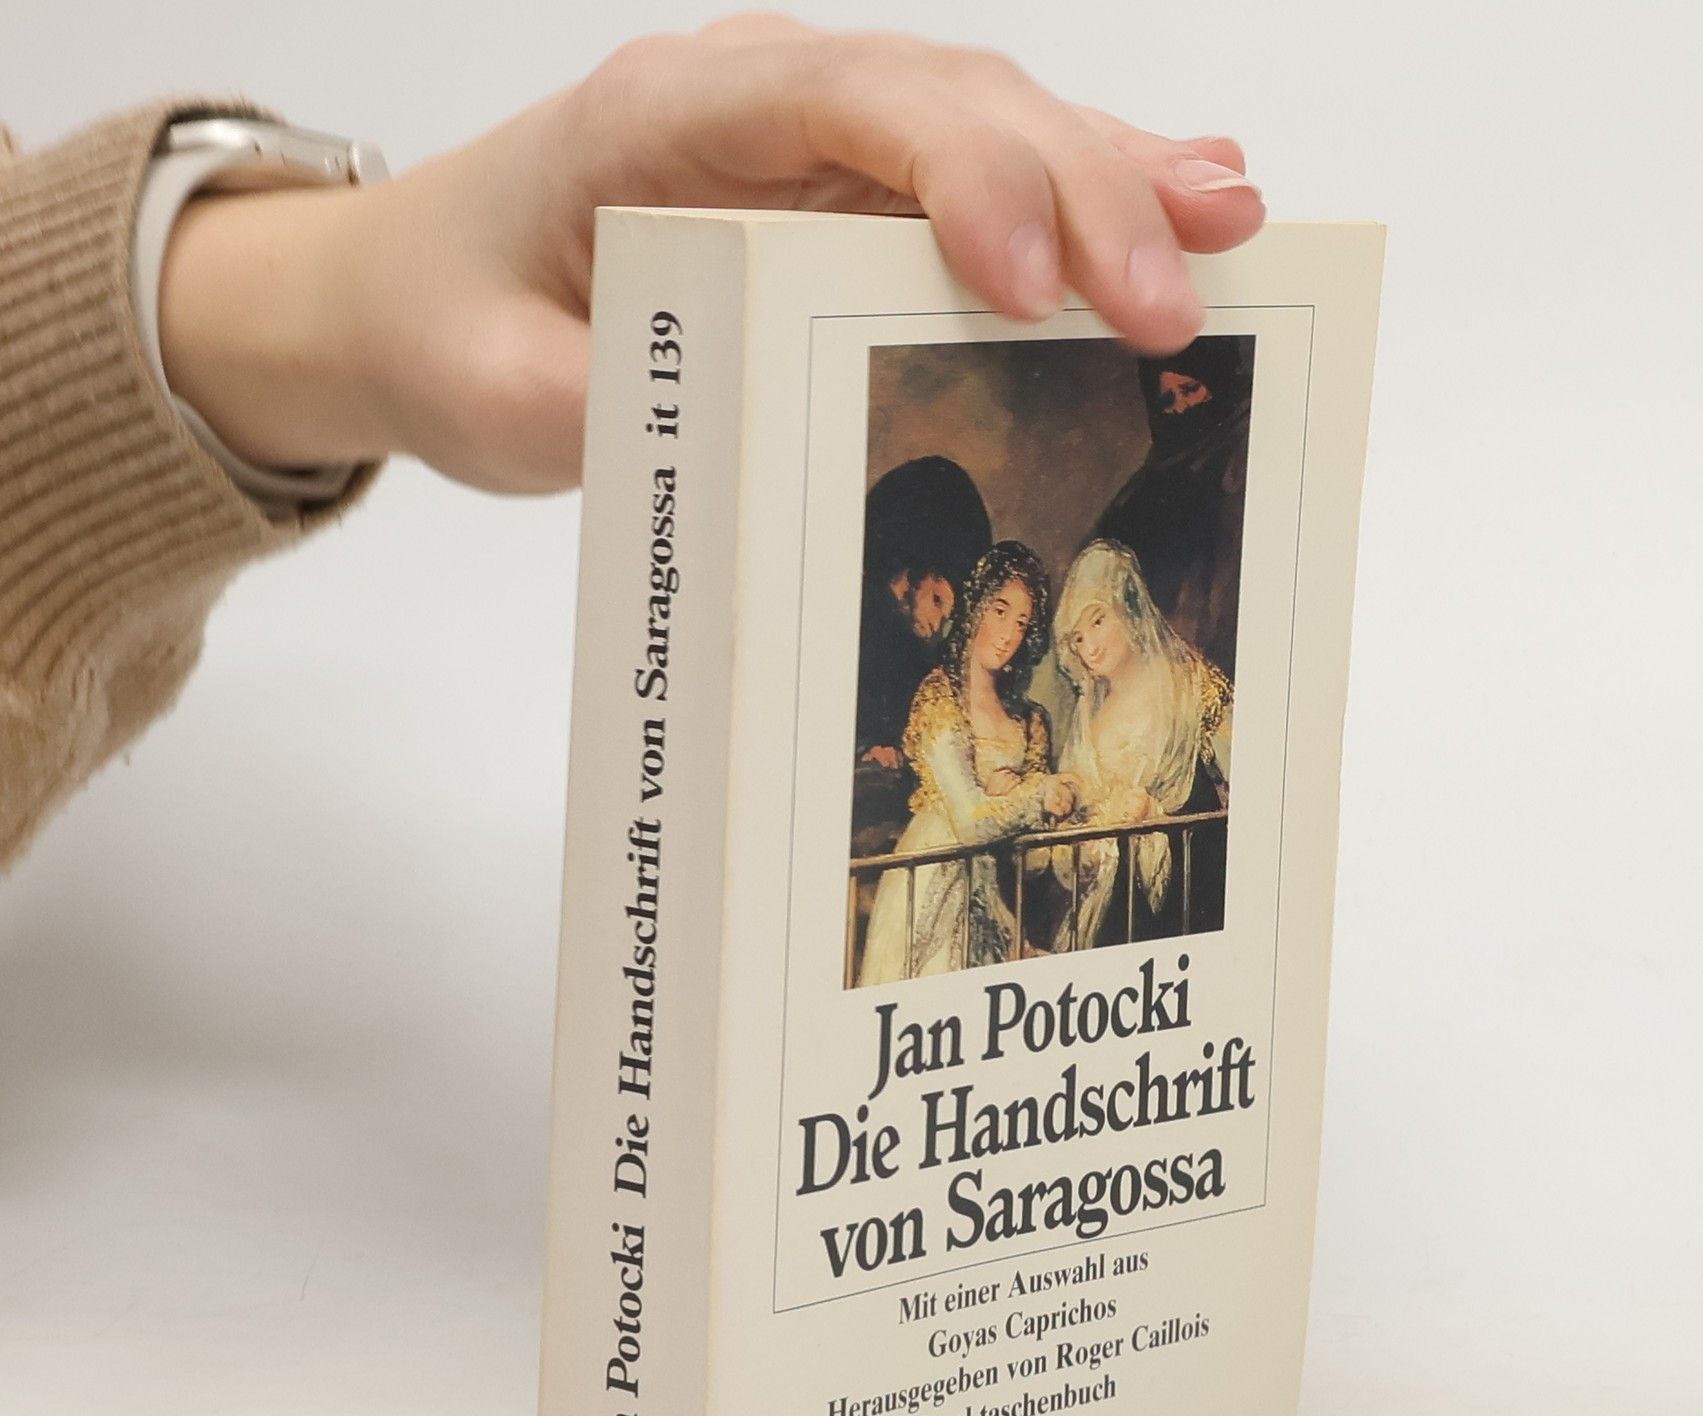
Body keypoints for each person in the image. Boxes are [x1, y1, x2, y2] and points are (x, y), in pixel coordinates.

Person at [0, 15, 1267, 876]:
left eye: (1019, 618)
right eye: (966, 602)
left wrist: (317, 293)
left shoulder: (1100, 658)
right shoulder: (917, 681)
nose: (973, 621)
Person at [856, 542, 1074, 984]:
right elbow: (972, 822)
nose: (1008, 634)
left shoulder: (1029, 720)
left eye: (1021, 622)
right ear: (976, 608)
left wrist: (1028, 803)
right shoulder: (940, 697)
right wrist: (1033, 796)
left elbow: (1033, 853)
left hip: (993, 886)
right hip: (931, 880)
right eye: (999, 611)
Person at [1046, 537, 1233, 954]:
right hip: (1113, 905)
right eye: (1078, 639)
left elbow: (1240, 775)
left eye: (1098, 622)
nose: (1091, 648)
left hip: (1193, 883)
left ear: (1127, 608)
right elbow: (1077, 823)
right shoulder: (1090, 717)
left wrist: (1156, 816)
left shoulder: (1186, 683)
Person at [851, 455, 993, 853]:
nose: (942, 620)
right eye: (938, 599)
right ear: (907, 579)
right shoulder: (856, 621)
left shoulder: (919, 652)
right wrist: (868, 744)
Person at [1091, 335, 1255, 674]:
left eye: (1190, 389)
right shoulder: (1154, 476)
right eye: (1167, 400)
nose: (1181, 408)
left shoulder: (1243, 451)